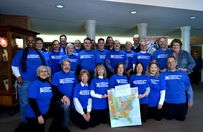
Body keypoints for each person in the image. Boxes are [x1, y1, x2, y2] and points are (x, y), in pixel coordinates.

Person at [11, 36, 47, 132]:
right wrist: (18, 76)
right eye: (28, 40)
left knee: (36, 101)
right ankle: (25, 122)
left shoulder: (40, 53)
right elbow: (14, 65)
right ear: (26, 42)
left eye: (32, 40)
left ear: (35, 42)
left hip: (38, 82)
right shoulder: (21, 53)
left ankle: (35, 118)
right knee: (25, 103)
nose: (30, 42)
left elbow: (45, 66)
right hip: (25, 81)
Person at [25, 65, 65, 132]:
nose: (44, 73)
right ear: (38, 74)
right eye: (42, 71)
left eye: (46, 71)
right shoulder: (34, 85)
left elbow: (51, 97)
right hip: (34, 114)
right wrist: (39, 115)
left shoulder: (48, 84)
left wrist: (61, 98)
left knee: (60, 111)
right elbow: (32, 101)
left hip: (45, 110)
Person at [162, 57, 193, 121]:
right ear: (167, 64)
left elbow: (189, 88)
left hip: (181, 101)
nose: (171, 64)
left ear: (176, 63)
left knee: (181, 119)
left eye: (173, 62)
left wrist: (190, 99)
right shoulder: (163, 74)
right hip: (168, 102)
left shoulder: (183, 74)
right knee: (168, 118)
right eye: (169, 62)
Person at [51, 58, 78, 131]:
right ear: (61, 66)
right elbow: (54, 89)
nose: (67, 67)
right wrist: (63, 96)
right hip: (58, 98)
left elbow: (76, 87)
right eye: (65, 65)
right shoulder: (56, 75)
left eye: (68, 65)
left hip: (71, 98)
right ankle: (64, 126)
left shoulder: (73, 75)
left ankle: (69, 118)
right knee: (66, 106)